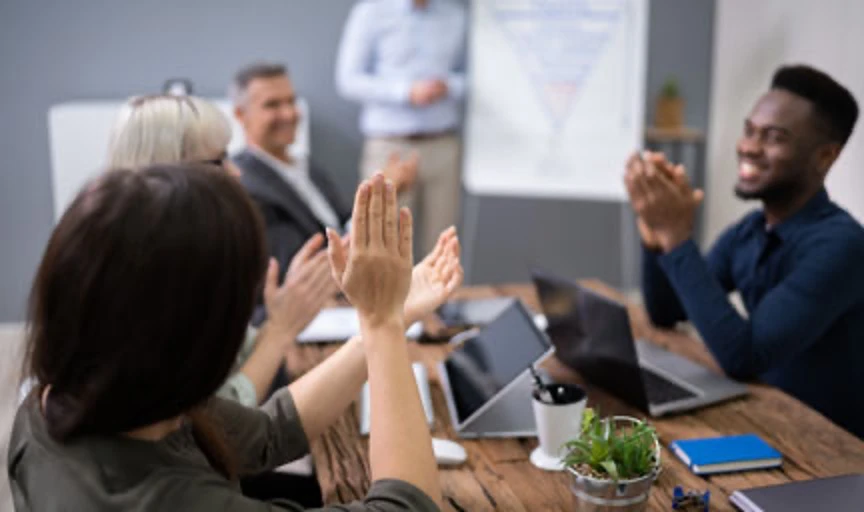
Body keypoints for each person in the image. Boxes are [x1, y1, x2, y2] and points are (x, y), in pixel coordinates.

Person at [9, 164, 445, 511]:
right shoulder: (177, 501)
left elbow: (268, 432)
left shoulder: (64, 403)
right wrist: (382, 324)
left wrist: (387, 318)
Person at [624, 65, 864, 438]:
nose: (749, 146)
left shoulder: (843, 245)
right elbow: (666, 310)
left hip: (829, 451)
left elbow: (742, 356)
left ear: (824, 157)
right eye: (749, 130)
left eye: (773, 137)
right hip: (765, 418)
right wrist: (655, 236)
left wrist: (677, 235)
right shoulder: (750, 230)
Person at [230, 63, 416, 272]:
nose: (289, 114)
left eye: (291, 101)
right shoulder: (245, 185)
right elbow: (300, 269)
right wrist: (377, 200)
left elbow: (342, 224)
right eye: (272, 105)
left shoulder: (307, 167)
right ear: (240, 115)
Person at [336, 0, 467, 255]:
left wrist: (448, 86)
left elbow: (479, 76)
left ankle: (439, 298)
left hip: (442, 143)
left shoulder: (456, 16)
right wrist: (405, 92)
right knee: (380, 244)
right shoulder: (371, 12)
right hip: (389, 147)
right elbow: (348, 79)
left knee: (442, 246)